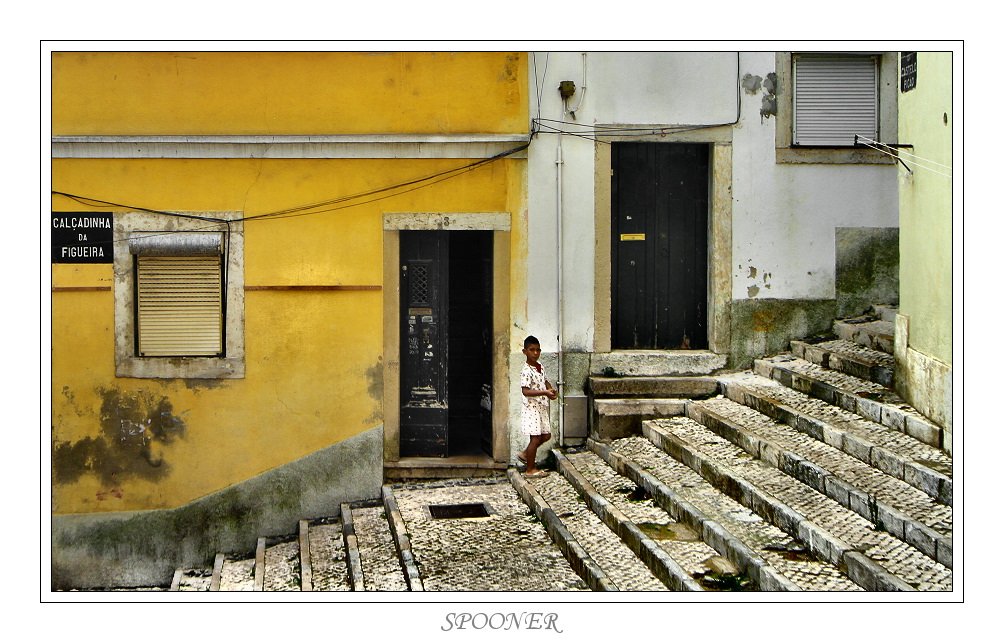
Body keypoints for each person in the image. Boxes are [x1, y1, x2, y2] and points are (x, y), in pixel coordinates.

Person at [517, 335, 556, 478]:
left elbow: (545, 381)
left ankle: (525, 454)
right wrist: (544, 392)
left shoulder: (540, 366)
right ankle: (530, 469)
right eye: (532, 350)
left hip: (541, 406)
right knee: (535, 438)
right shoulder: (526, 370)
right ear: (525, 351)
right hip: (531, 408)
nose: (535, 353)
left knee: (546, 435)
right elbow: (526, 391)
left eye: (538, 350)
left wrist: (550, 390)